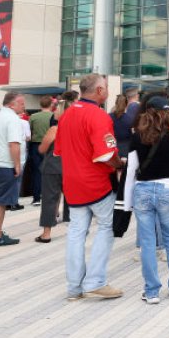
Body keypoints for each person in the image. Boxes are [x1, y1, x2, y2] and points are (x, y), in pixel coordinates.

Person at [56, 73, 124, 300]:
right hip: (96, 183)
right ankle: (95, 281)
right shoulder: (98, 116)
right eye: (104, 87)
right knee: (106, 227)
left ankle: (74, 287)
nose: (106, 91)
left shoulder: (66, 115)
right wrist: (119, 164)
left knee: (76, 233)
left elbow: (59, 151)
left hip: (72, 183)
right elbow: (106, 154)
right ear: (98, 91)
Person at [129, 95, 169, 302]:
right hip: (167, 188)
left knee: (147, 242)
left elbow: (131, 166)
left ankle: (152, 291)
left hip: (143, 189)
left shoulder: (137, 137)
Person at [0, 91, 27, 247]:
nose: (24, 106)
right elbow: (13, 143)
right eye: (21, 103)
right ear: (11, 104)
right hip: (5, 164)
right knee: (1, 201)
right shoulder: (13, 119)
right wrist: (17, 164)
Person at [36, 96, 70, 243]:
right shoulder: (76, 129)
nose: (54, 111)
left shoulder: (54, 129)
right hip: (70, 167)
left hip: (53, 166)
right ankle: (74, 227)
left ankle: (46, 233)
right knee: (72, 198)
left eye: (56, 109)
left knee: (50, 199)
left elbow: (42, 149)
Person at [27, 96, 55, 206]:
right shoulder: (53, 116)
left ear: (40, 105)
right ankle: (48, 196)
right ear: (51, 105)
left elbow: (29, 132)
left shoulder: (33, 117)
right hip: (51, 146)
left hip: (35, 146)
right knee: (50, 172)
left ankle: (36, 198)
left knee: (36, 172)